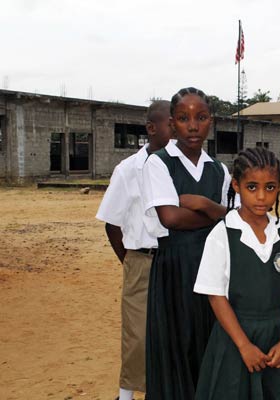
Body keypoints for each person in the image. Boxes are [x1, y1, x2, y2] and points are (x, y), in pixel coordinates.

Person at [142, 87, 232, 400]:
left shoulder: (219, 169)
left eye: (201, 117)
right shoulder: (158, 162)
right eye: (183, 118)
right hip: (174, 269)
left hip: (212, 270)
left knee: (209, 345)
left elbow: (227, 220)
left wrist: (203, 205)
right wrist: (217, 214)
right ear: (172, 122)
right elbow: (171, 219)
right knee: (176, 346)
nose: (192, 126)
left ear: (212, 121)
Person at [193, 147, 280, 400]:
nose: (262, 197)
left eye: (271, 187)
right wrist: (243, 345)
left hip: (273, 342)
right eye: (252, 187)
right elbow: (215, 296)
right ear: (236, 185)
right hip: (235, 340)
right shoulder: (222, 235)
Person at [96, 100, 172, 400]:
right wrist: (130, 260)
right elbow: (112, 223)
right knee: (137, 335)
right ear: (151, 128)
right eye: (171, 122)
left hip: (176, 259)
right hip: (142, 260)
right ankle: (125, 396)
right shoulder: (128, 170)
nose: (177, 128)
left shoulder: (178, 166)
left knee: (172, 331)